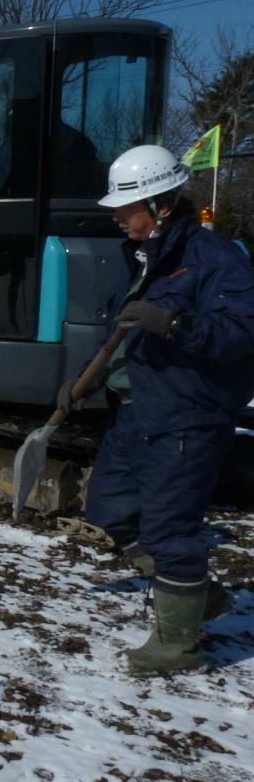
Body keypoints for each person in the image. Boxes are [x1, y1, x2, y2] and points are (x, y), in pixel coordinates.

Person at [61, 145, 254, 674]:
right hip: (135, 410)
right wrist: (79, 384)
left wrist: (175, 324)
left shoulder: (215, 258)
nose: (117, 217)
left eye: (127, 207)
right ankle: (197, 594)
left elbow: (244, 331)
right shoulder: (146, 258)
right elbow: (121, 336)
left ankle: (177, 644)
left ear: (162, 203)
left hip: (186, 416)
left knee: (171, 530)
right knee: (109, 509)